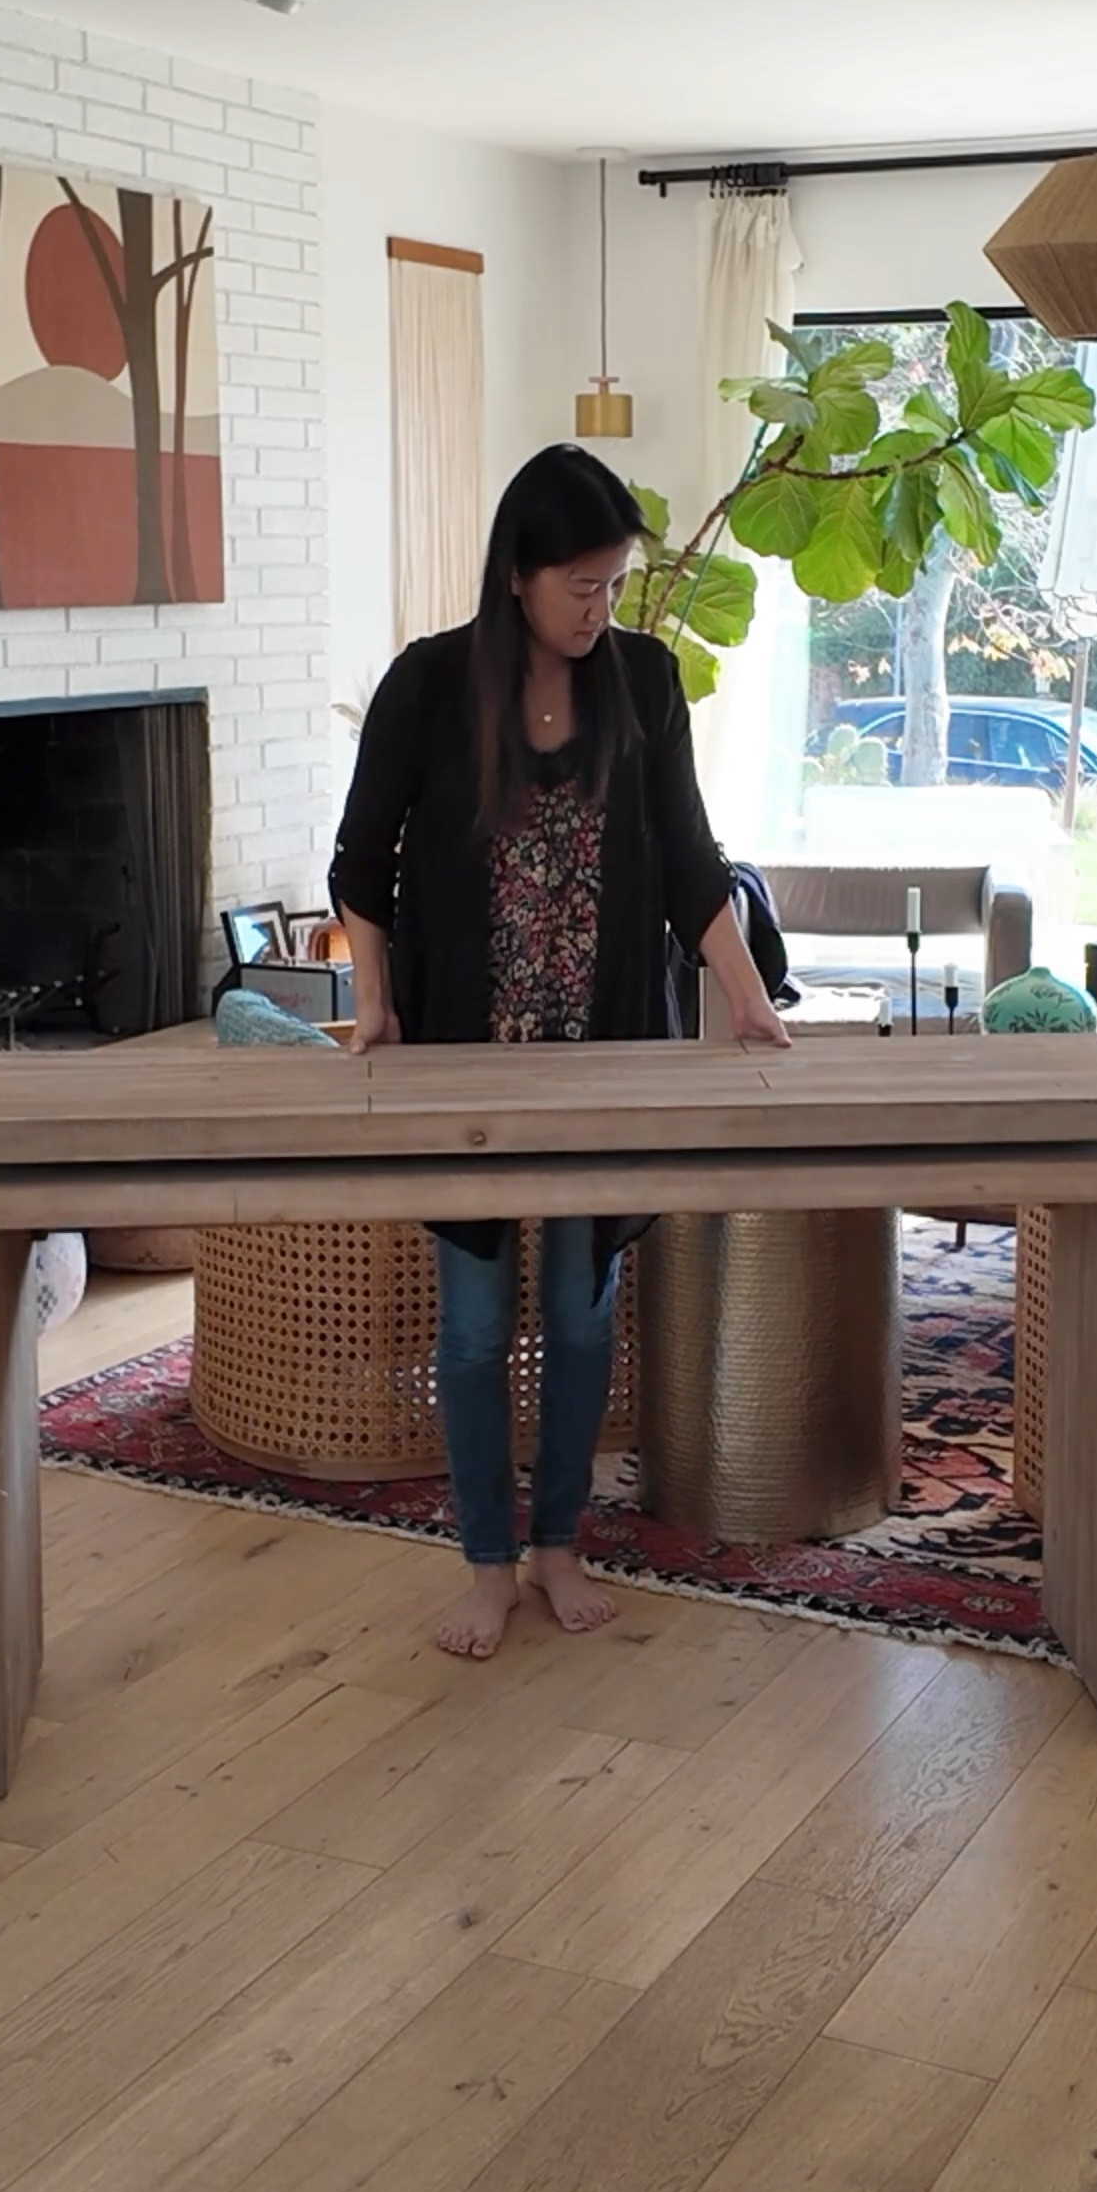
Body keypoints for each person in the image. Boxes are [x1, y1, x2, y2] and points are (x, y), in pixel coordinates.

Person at [331, 444, 790, 1658]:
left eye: (613, 584)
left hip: (604, 1058)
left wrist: (747, 998)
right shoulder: (430, 684)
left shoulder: (643, 681)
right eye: (581, 585)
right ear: (518, 575)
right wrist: (373, 1001)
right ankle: (486, 1561)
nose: (600, 607)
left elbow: (688, 859)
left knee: (584, 1326)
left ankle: (556, 1545)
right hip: (465, 1061)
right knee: (476, 1328)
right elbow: (361, 857)